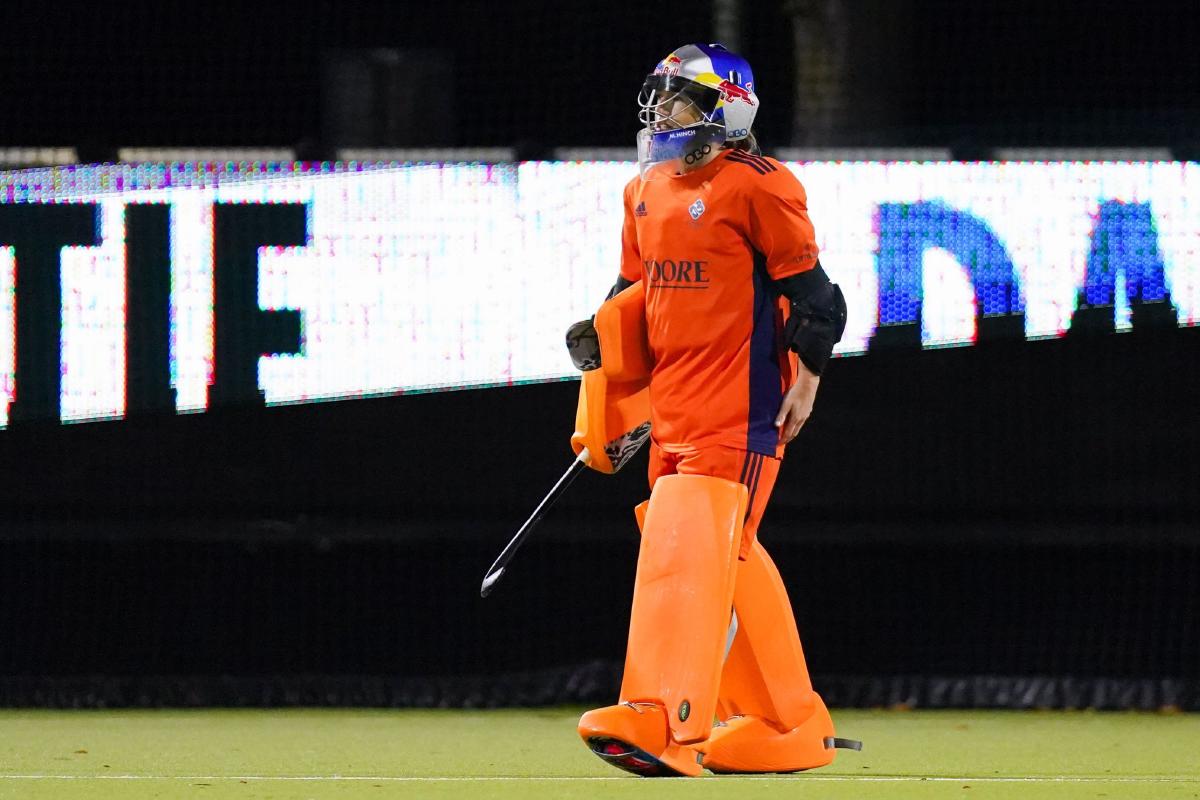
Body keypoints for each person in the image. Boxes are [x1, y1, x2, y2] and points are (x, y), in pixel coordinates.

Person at [568, 43, 853, 777]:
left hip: (742, 412)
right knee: (728, 554)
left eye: (680, 100)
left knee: (690, 550)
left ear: (726, 110)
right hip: (673, 413)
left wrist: (807, 380)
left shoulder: (760, 185)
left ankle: (663, 720)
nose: (662, 113)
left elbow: (819, 298)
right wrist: (607, 390)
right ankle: (788, 723)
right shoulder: (642, 191)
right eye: (660, 98)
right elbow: (629, 300)